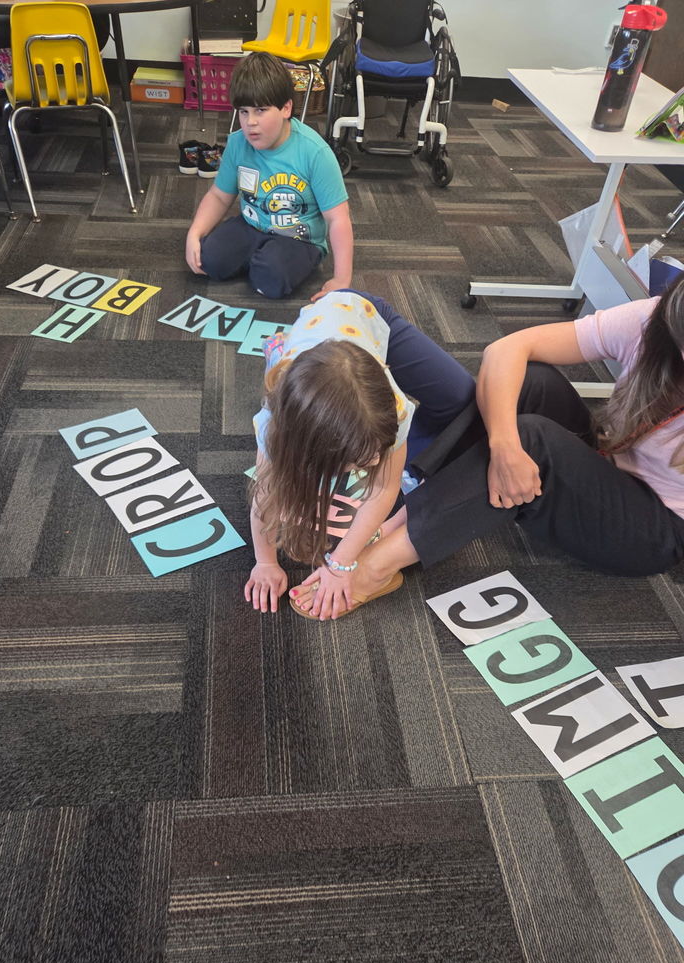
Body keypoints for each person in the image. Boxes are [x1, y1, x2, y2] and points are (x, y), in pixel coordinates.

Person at [290, 274, 684, 619]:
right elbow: (506, 350)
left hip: (655, 527)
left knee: (532, 439)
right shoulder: (657, 319)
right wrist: (503, 445)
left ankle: (379, 566)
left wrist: (514, 446)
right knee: (531, 382)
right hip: (611, 456)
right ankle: (406, 512)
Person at [243, 290, 476, 614]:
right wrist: (265, 562)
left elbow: (383, 488)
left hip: (365, 312)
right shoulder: (274, 428)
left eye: (378, 449)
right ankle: (282, 353)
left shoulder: (394, 408)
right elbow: (265, 495)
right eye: (359, 459)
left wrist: (341, 564)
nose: (374, 462)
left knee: (464, 397)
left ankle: (407, 452)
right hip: (321, 340)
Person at [185, 52, 353, 301]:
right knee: (208, 260)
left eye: (260, 110)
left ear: (286, 108)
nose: (250, 122)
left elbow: (338, 218)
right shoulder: (238, 143)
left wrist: (342, 279)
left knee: (271, 279)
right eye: (243, 111)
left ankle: (265, 262)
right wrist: (195, 232)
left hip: (299, 238)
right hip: (252, 224)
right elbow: (219, 196)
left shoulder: (315, 152)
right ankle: (259, 257)